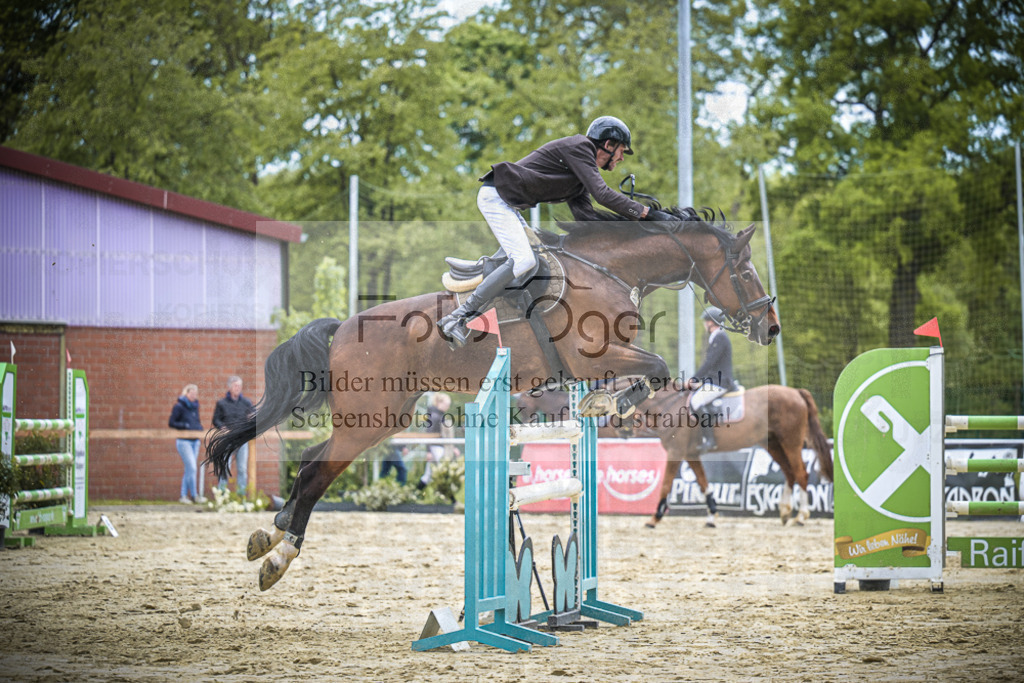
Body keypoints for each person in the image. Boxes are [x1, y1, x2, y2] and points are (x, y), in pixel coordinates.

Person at [437, 115, 674, 349]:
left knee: (536, 258)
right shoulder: (580, 147)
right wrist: (648, 213)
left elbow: (587, 218)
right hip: (496, 198)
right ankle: (457, 317)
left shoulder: (579, 175)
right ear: (608, 145)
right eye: (621, 150)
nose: (621, 158)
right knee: (523, 261)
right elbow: (602, 194)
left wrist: (632, 228)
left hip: (507, 203)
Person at [686, 307, 739, 453]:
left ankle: (710, 440)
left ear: (712, 322)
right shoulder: (716, 337)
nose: (705, 323)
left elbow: (709, 362)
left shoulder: (720, 337)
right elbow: (712, 365)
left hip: (720, 382)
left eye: (706, 321)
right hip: (715, 380)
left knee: (696, 401)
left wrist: (694, 379)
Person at [211, 376, 254, 495]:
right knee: (225, 467)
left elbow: (253, 418)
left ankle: (241, 496)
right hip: (227, 440)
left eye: (239, 386)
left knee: (242, 469)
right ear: (229, 387)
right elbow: (216, 420)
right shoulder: (222, 403)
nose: (238, 388)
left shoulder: (247, 402)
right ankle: (222, 495)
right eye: (235, 386)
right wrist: (222, 427)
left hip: (241, 440)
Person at [169, 383, 205, 503]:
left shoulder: (195, 406)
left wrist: (199, 428)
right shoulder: (179, 406)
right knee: (193, 468)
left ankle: (183, 495)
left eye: (195, 393)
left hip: (195, 441)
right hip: (184, 442)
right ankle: (194, 495)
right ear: (187, 393)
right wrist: (185, 426)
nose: (194, 395)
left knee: (189, 469)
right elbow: (172, 422)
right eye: (192, 393)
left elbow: (196, 421)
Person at [416, 392, 460, 491]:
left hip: (438, 447)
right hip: (436, 448)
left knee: (428, 475)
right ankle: (450, 498)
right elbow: (429, 434)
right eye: (446, 405)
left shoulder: (439, 415)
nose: (447, 407)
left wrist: (453, 447)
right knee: (444, 470)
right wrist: (429, 451)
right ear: (439, 403)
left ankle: (415, 493)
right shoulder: (435, 415)